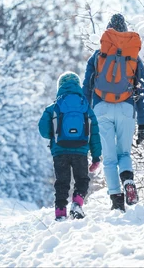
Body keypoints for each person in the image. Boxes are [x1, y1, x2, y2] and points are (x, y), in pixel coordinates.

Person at [82, 13, 144, 212]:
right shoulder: (134, 57)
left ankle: (117, 201)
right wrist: (142, 122)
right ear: (125, 30)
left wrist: (86, 117)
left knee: (109, 158)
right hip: (127, 108)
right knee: (124, 153)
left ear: (108, 31)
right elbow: (142, 90)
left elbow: (86, 87)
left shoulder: (97, 55)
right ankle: (128, 180)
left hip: (101, 108)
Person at [39, 71, 102, 221]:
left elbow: (42, 130)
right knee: (82, 180)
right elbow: (94, 133)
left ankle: (60, 213)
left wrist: (54, 134)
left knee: (62, 182)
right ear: (77, 86)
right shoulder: (86, 107)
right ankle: (77, 204)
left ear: (60, 86)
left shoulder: (53, 107)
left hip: (60, 151)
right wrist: (95, 157)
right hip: (80, 150)